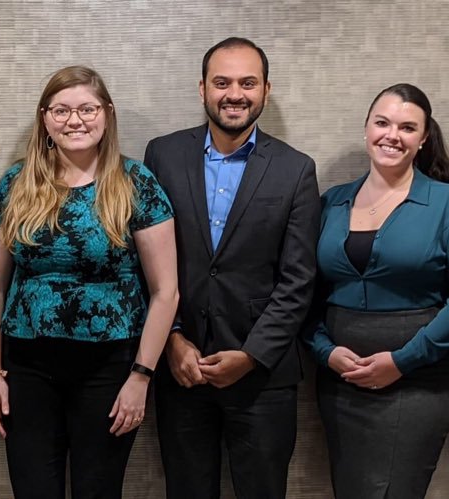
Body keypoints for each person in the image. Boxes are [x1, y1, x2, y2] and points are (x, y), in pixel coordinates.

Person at [0, 65, 178, 499]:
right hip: (27, 367)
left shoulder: (135, 183)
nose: (75, 120)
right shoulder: (16, 184)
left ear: (107, 114)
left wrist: (141, 377)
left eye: (87, 109)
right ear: (44, 118)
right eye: (62, 110)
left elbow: (167, 292)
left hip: (109, 367)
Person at [143, 37, 320, 499]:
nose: (234, 94)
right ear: (202, 88)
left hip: (262, 377)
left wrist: (251, 354)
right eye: (222, 82)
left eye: (247, 82)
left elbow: (298, 280)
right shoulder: (162, 155)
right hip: (182, 371)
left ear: (266, 89)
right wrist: (172, 339)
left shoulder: (296, 169)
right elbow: (144, 261)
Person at [308, 83, 449, 498]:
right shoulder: (331, 203)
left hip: (418, 382)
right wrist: (325, 351)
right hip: (340, 384)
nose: (392, 135)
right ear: (366, 128)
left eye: (408, 127)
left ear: (423, 138)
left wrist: (403, 360)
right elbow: (305, 294)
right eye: (383, 123)